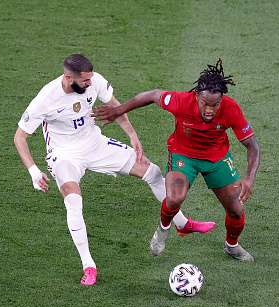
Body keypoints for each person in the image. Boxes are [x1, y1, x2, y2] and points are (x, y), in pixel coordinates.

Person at [13, 54, 215, 286]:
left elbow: (114, 106)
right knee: (74, 202)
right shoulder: (46, 99)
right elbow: (20, 137)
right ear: (69, 77)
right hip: (64, 155)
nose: (90, 83)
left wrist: (132, 135)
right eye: (85, 81)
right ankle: (88, 265)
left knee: (153, 171)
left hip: (95, 144)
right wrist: (33, 171)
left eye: (91, 79)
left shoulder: (95, 80)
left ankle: (181, 223)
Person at [94, 59, 261, 262]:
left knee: (236, 209)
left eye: (215, 105)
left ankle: (232, 246)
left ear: (222, 99)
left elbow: (252, 145)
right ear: (196, 95)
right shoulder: (181, 101)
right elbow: (152, 95)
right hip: (184, 154)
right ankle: (162, 231)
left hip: (216, 158)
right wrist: (119, 110)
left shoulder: (231, 109)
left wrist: (249, 178)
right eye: (205, 103)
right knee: (174, 198)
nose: (209, 110)